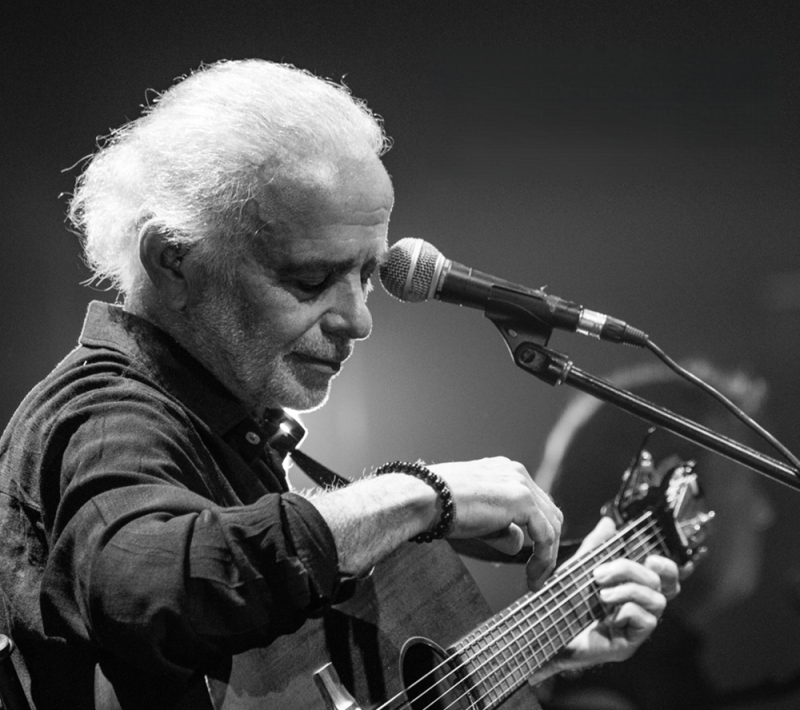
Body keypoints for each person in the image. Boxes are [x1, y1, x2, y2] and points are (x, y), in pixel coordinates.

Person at [0, 59, 680, 710]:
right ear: (172, 259)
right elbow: (147, 592)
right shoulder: (106, 416)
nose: (358, 320)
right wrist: (420, 494)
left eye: (367, 276)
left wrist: (543, 648)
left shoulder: (232, 427)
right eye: (311, 279)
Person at [532, 359, 776, 710]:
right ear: (671, 488)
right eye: (745, 484)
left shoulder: (658, 667)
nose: (762, 512)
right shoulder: (608, 686)